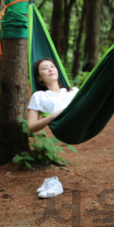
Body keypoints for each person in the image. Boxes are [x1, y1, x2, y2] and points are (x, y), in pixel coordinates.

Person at [27, 58, 78, 198]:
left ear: (57, 70)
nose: (50, 69)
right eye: (44, 68)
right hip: (60, 129)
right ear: (39, 77)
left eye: (52, 66)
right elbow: (31, 127)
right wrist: (53, 116)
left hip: (80, 126)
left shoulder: (74, 91)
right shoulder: (39, 96)